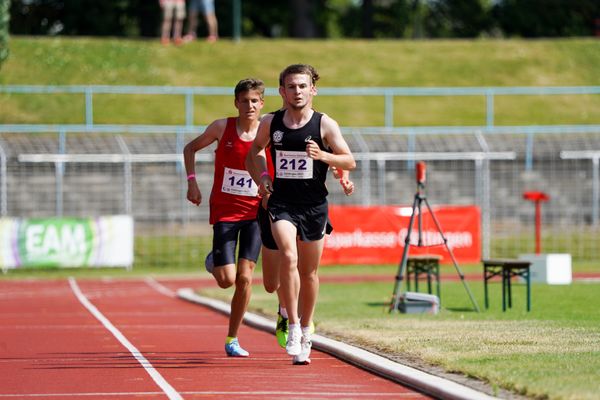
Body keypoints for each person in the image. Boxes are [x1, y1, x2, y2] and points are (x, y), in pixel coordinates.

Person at [248, 64, 356, 365]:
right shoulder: (271, 122)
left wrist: (324, 155)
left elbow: (349, 160)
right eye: (291, 87)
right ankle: (292, 325)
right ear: (282, 91)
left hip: (314, 206)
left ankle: (307, 328)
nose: (297, 91)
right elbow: (255, 151)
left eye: (302, 86)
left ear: (313, 89)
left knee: (309, 273)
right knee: (288, 256)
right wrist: (263, 177)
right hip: (282, 203)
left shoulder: (325, 125)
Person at [183, 78, 265, 357]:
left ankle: (232, 338)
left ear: (262, 103)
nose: (250, 105)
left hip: (256, 212)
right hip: (225, 211)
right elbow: (190, 148)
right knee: (226, 280)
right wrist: (192, 182)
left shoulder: (268, 130)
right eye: (245, 101)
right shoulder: (222, 127)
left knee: (245, 278)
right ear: (236, 103)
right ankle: (215, 260)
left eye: (255, 101)